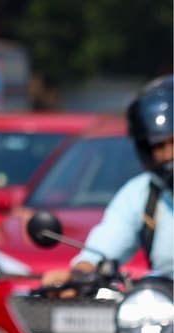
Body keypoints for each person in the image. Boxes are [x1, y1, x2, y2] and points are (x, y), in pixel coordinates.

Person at [42, 75, 173, 293]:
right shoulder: (142, 194)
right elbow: (105, 245)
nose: (169, 154)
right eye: (158, 146)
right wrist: (80, 274)